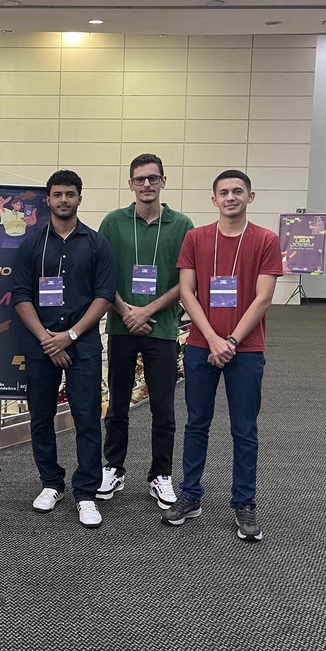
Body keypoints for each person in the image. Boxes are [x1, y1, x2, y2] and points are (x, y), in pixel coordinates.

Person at [161, 170, 282, 542]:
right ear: (213, 200)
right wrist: (213, 339)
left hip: (245, 350)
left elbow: (263, 297)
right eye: (223, 192)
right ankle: (191, 496)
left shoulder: (266, 240)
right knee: (197, 423)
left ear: (251, 196)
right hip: (201, 346)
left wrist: (229, 340)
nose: (230, 197)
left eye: (238, 191)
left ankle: (244, 503)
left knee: (244, 429)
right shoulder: (196, 238)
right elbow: (186, 291)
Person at [11, 169, 115, 528]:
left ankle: (86, 493)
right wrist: (47, 338)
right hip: (41, 345)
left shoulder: (97, 243)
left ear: (79, 198)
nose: (64, 200)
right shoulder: (31, 245)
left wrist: (69, 336)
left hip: (83, 343)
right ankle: (51, 483)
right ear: (48, 200)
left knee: (87, 419)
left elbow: (103, 297)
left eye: (70, 194)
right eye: (57, 194)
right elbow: (21, 297)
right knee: (41, 418)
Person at [96, 154, 193, 508]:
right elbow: (103, 277)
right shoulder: (113, 222)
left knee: (163, 409)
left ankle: (161, 475)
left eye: (153, 179)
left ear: (163, 182)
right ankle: (113, 468)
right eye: (140, 179)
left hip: (163, 329)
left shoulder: (182, 224)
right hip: (121, 326)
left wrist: (147, 311)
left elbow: (186, 281)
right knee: (117, 403)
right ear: (131, 184)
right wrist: (126, 311)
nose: (147, 185)